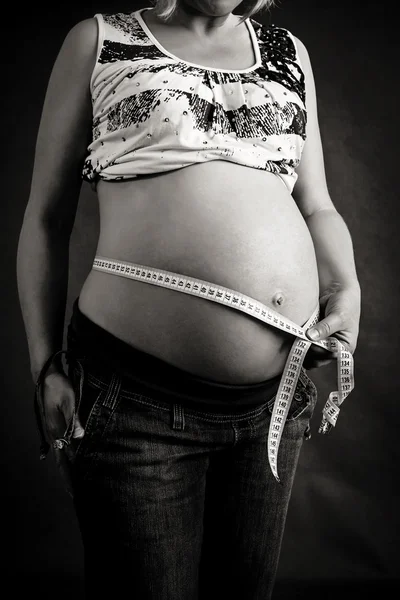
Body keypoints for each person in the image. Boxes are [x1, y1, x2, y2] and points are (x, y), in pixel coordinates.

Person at [17, 0, 361, 598]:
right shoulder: (99, 40)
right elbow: (45, 219)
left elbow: (318, 205)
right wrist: (45, 363)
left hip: (270, 410)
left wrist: (347, 286)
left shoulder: (289, 53)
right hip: (134, 404)